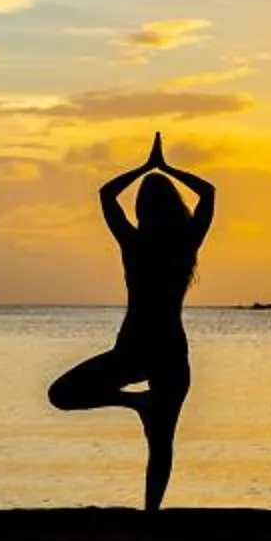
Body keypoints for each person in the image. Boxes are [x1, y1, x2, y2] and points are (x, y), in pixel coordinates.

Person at [47, 130, 214, 511]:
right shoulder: (186, 244)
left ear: (142, 209)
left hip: (135, 348)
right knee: (162, 440)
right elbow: (208, 193)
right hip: (169, 349)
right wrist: (167, 168)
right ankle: (151, 511)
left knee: (62, 394)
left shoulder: (134, 243)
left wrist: (145, 167)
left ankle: (135, 404)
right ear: (174, 206)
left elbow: (106, 195)